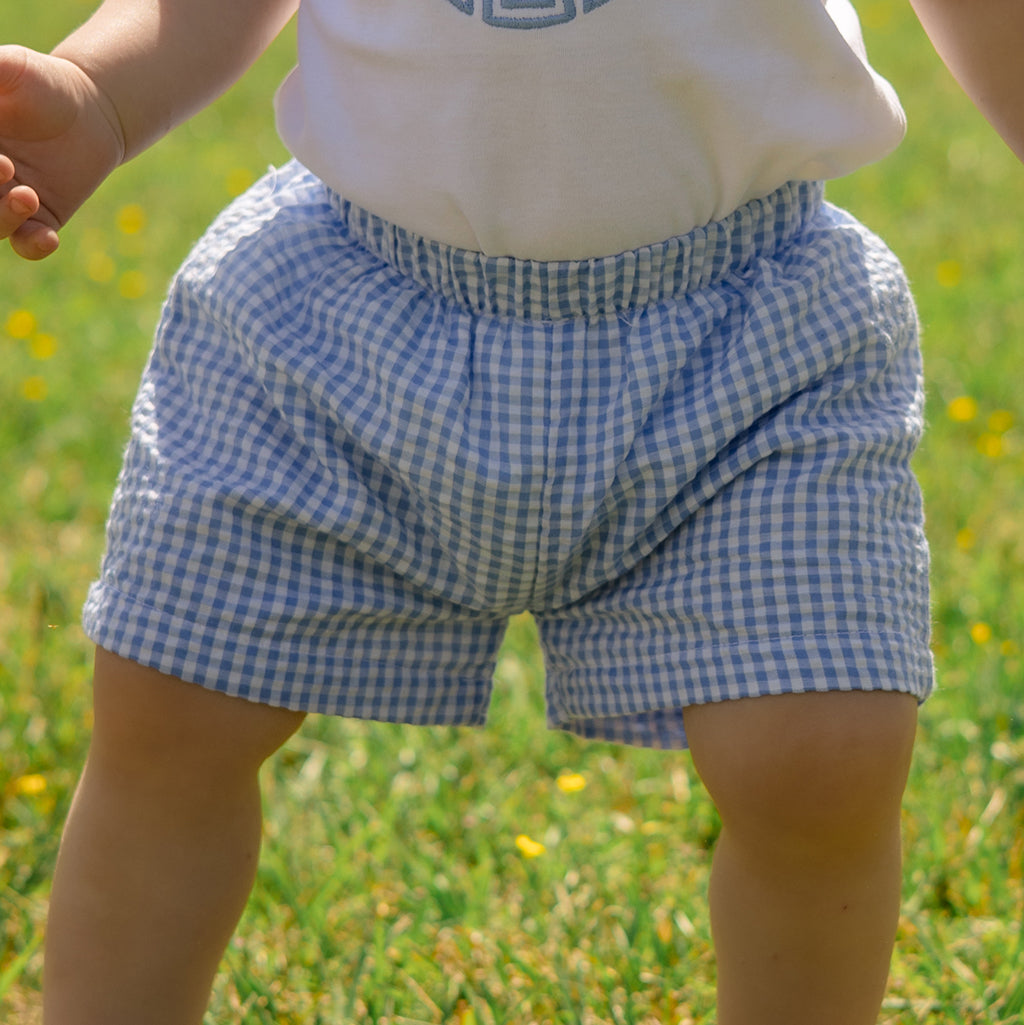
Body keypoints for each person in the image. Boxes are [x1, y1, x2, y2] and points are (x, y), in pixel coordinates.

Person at [1, 2, 1020, 1022]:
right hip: (338, 321)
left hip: (752, 336)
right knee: (168, 709)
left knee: (823, 751)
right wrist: (103, 97)